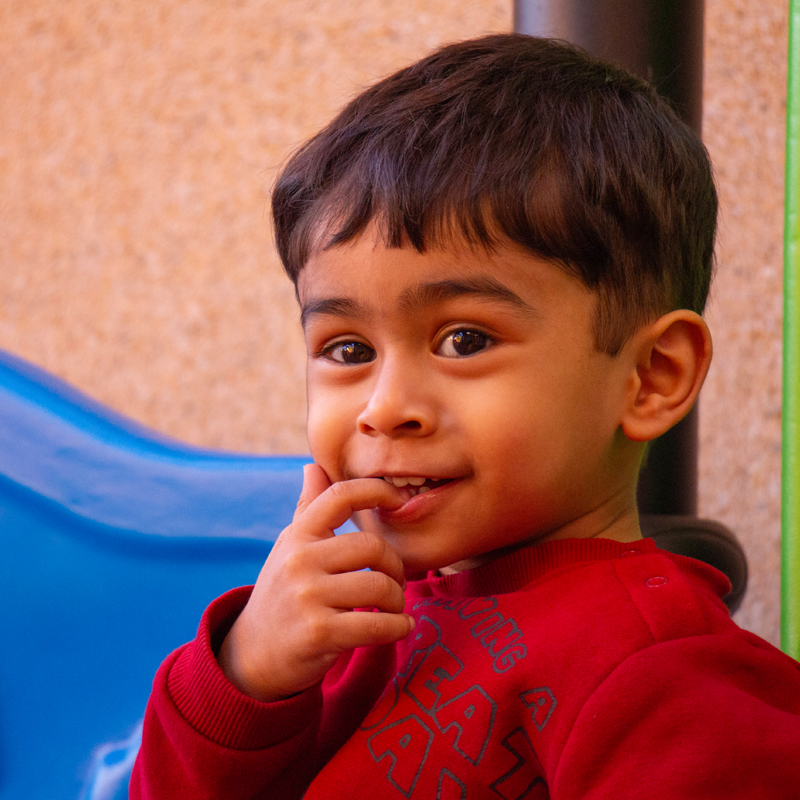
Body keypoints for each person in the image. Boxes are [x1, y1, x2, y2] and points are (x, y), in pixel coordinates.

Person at [130, 34, 800, 799]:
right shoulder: (343, 629)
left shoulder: (663, 680)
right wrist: (245, 676)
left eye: (464, 340)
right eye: (348, 350)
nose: (385, 409)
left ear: (652, 377)